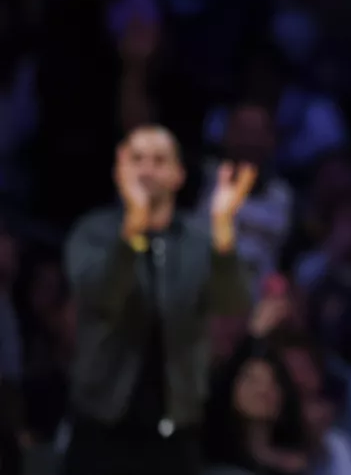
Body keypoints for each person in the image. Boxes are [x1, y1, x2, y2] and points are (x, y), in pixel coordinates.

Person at [63, 125, 255, 475]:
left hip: (175, 430)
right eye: (137, 159)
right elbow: (104, 297)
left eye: (159, 160)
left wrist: (223, 227)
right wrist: (132, 231)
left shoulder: (198, 242)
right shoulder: (92, 232)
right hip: (101, 424)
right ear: (119, 169)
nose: (147, 170)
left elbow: (232, 304)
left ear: (178, 174)